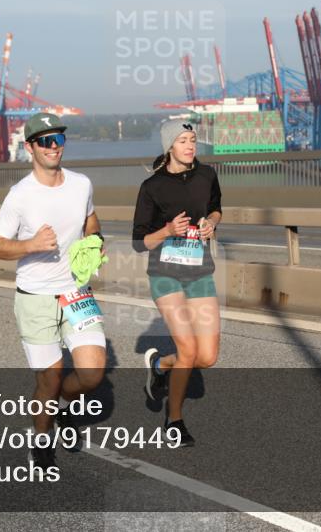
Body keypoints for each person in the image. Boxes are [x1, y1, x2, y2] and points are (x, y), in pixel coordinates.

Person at [0, 113, 106, 470]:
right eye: (45, 141)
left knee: (92, 373)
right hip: (35, 298)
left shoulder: (81, 184)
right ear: (30, 148)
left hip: (76, 293)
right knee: (50, 377)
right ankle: (41, 441)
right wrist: (31, 244)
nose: (53, 146)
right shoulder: (19, 196)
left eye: (58, 139)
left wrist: (96, 242)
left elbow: (91, 220)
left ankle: (62, 407)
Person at [132, 120, 222, 447]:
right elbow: (139, 242)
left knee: (207, 356)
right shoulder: (152, 187)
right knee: (188, 349)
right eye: (183, 140)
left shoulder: (207, 175)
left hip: (199, 272)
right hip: (165, 274)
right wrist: (168, 231)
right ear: (170, 146)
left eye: (193, 140)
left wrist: (211, 223)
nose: (190, 146)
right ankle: (174, 420)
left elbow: (216, 209)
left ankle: (159, 365)